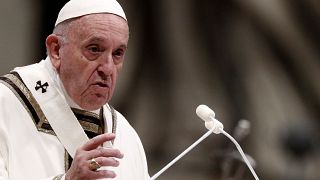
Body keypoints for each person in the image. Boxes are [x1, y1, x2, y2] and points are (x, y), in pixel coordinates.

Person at [0, 0, 150, 179]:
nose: (108, 69)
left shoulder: (126, 135)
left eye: (117, 53)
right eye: (94, 49)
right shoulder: (6, 104)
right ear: (56, 50)